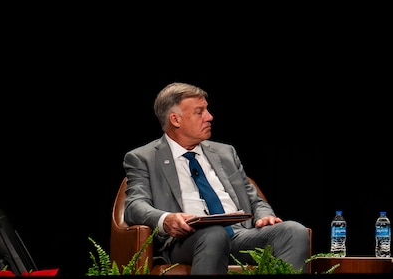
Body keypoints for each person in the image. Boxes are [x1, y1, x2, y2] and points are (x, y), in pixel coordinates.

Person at [122, 82, 310, 274]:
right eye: (199, 111)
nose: (209, 117)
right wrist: (166, 219)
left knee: (294, 231)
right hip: (187, 241)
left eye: (207, 110)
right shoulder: (143, 158)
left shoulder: (225, 153)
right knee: (214, 233)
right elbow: (134, 205)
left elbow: (254, 199)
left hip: (239, 235)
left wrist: (265, 216)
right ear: (175, 119)